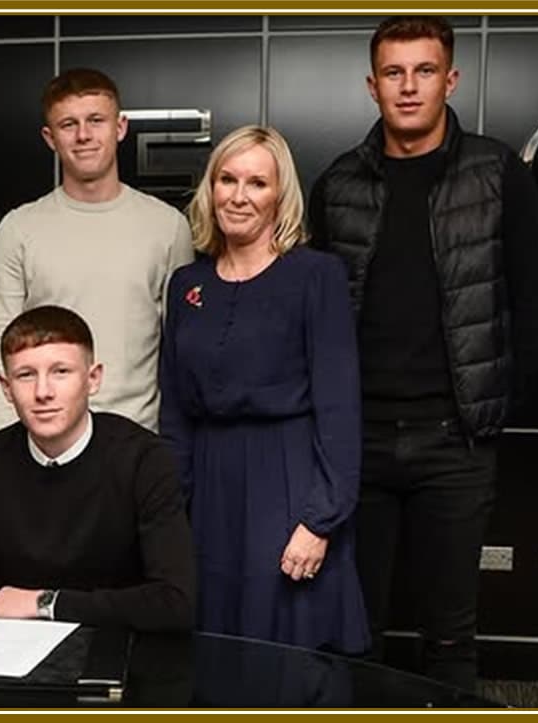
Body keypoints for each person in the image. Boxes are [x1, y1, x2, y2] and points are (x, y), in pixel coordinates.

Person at [307, 16, 538, 689]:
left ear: (451, 78)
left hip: (455, 443)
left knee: (450, 633)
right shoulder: (339, 182)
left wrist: (492, 405)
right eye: (394, 72)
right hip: (359, 445)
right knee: (356, 629)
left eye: (424, 71)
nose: (409, 87)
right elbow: (316, 318)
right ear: (372, 84)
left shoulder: (496, 169)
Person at [160, 125, 369, 654]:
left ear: (280, 195)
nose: (238, 195)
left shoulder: (315, 276)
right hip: (210, 487)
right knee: (213, 643)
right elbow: (176, 413)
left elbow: (339, 407)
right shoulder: (188, 285)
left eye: (257, 183)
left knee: (286, 644)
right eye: (226, 179)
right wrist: (170, 514)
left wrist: (320, 521)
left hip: (288, 480)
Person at [0, 306, 196, 662]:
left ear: (93, 378)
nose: (43, 392)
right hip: (16, 663)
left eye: (61, 372)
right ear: (6, 388)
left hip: (122, 661)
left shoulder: (144, 459)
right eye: (25, 375)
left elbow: (176, 602)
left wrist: (45, 602)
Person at [0, 68, 193, 434]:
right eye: (68, 124)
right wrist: (3, 446)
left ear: (120, 127)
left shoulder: (168, 227)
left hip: (138, 439)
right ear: (50, 137)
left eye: (96, 120)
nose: (83, 135)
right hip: (44, 444)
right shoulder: (18, 229)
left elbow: (180, 350)